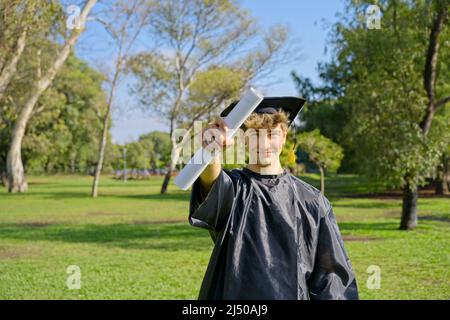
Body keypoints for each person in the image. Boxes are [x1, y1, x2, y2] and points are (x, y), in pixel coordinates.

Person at [189, 97, 358, 300]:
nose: (264, 143)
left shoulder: (311, 201)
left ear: (284, 136)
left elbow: (331, 278)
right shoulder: (233, 190)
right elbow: (211, 182)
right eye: (255, 135)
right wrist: (211, 149)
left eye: (271, 134)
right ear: (243, 138)